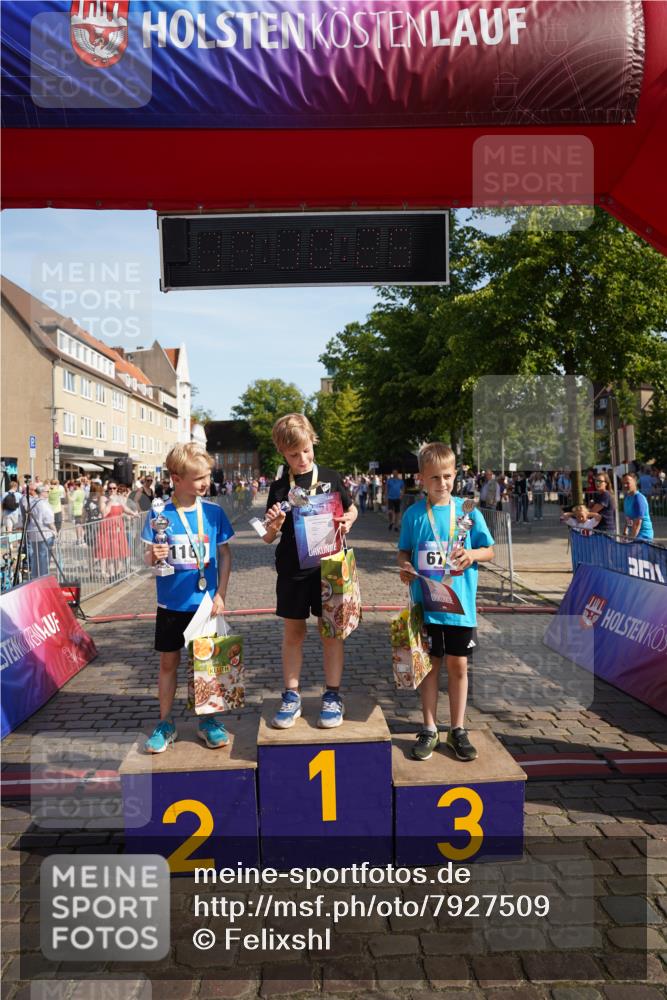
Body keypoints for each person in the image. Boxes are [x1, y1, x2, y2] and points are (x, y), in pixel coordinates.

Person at [398, 442, 494, 763]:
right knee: (429, 667)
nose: (443, 483)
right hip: (426, 606)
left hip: (459, 607)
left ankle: (457, 728)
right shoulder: (413, 515)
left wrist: (472, 554)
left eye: (448, 476)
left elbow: (489, 550)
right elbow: (404, 551)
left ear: (456, 475)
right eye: (435, 478)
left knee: (458, 665)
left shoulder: (468, 511)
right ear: (422, 479)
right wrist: (405, 567)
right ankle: (428, 727)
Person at [262, 413, 357, 730]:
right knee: (294, 633)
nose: (302, 459)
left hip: (329, 568)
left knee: (331, 633)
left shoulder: (330, 475)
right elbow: (267, 534)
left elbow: (351, 506)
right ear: (282, 453)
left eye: (306, 451)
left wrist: (351, 519)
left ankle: (332, 695)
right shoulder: (278, 488)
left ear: (312, 442)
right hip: (292, 571)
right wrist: (273, 525)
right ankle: (291, 696)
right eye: (293, 455)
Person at [142, 443, 234, 753]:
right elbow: (150, 559)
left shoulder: (213, 512)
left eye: (207, 476)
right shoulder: (159, 513)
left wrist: (221, 593)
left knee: (207, 665)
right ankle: (165, 722)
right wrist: (152, 556)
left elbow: (224, 553)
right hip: (170, 605)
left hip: (205, 606)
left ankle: (208, 721)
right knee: (168, 662)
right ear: (176, 478)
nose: (206, 483)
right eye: (198, 478)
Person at [19, 484, 56, 579]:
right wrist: (55, 530)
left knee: (36, 556)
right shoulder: (43, 504)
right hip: (44, 533)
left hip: (34, 532)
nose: (48, 493)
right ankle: (43, 577)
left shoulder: (32, 502)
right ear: (43, 492)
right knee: (44, 557)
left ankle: (35, 576)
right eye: (47, 492)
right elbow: (49, 520)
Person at [622, 471, 654, 541]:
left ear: (635, 482)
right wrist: (624, 533)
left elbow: (637, 524)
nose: (625, 485)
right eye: (623, 483)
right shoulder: (627, 498)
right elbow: (628, 519)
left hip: (644, 536)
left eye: (627, 483)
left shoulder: (639, 499)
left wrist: (630, 541)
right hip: (634, 535)